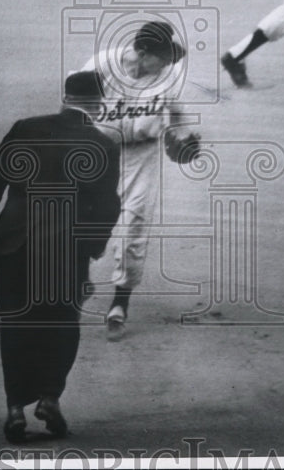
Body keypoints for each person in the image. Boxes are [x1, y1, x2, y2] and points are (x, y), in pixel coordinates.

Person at [0, 70, 121, 443]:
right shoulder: (102, 143)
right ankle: (50, 397)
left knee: (16, 324)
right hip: (66, 246)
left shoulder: (25, 128)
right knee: (62, 324)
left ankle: (15, 409)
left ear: (63, 96)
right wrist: (94, 248)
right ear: (99, 105)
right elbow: (106, 206)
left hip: (16, 241)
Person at [81, 20, 195, 342]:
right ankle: (80, 278)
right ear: (143, 53)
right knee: (86, 220)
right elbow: (73, 106)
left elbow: (178, 112)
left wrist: (183, 136)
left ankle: (120, 304)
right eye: (165, 56)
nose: (171, 62)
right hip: (98, 152)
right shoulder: (101, 66)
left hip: (141, 156)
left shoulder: (169, 75)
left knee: (134, 225)